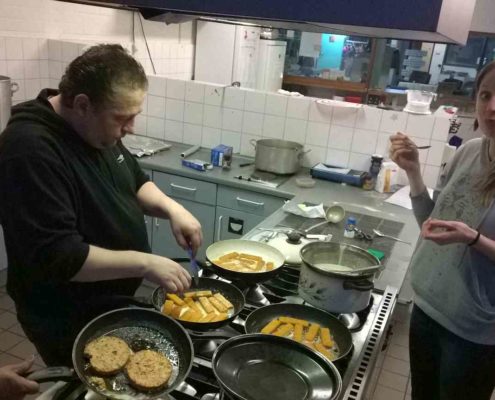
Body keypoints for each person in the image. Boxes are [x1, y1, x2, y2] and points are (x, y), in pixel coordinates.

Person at [0, 44, 202, 366]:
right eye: (123, 118)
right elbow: (60, 256)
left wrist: (172, 209)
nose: (131, 128)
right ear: (82, 104)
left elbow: (133, 179)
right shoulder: (30, 150)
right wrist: (146, 263)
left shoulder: (95, 127)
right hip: (66, 314)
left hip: (107, 300)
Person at [390, 60, 495, 400]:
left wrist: (474, 239)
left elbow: (465, 236)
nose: (492, 107)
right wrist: (414, 174)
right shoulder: (467, 152)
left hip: (472, 330)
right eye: (485, 95)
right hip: (427, 307)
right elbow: (431, 227)